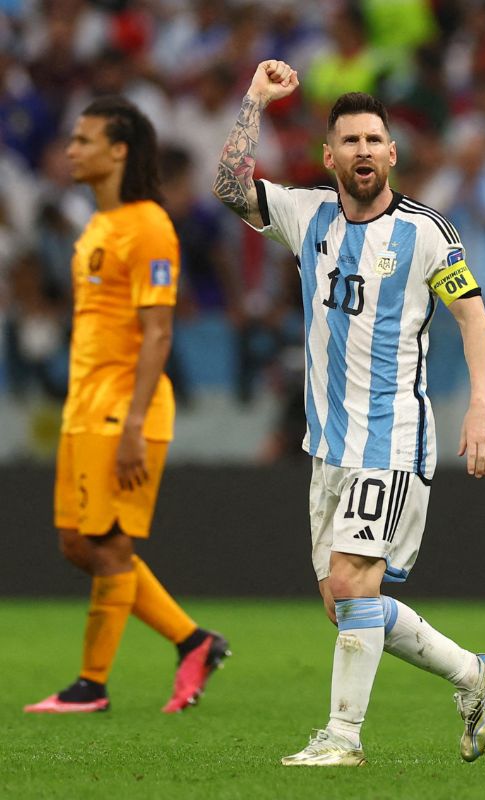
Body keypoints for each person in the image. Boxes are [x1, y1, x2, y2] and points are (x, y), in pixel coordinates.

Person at [213, 61, 485, 767]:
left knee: (352, 584)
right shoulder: (305, 213)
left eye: (375, 139)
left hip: (393, 438)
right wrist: (255, 98)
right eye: (350, 141)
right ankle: (474, 674)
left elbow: (473, 318)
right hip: (329, 445)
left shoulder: (427, 232)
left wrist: (482, 408)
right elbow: (228, 187)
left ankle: (343, 738)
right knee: (347, 606)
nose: (365, 151)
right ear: (330, 155)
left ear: (393, 153)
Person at [24, 97, 229, 715]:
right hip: (83, 407)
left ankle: (91, 685)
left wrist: (136, 420)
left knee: (106, 543)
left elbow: (159, 331)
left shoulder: (148, 225)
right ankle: (194, 640)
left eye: (84, 140)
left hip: (123, 408)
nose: (71, 150)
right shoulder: (96, 227)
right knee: (75, 542)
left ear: (119, 151)